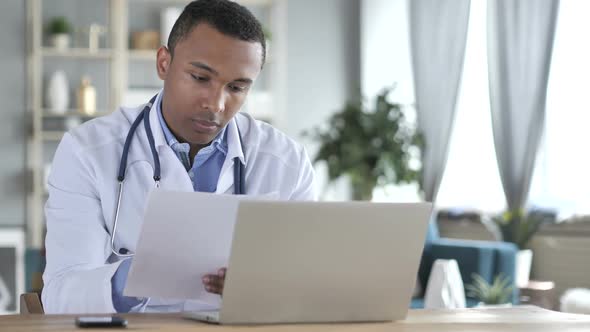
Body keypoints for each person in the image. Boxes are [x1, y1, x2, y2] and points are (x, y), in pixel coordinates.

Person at [42, 0, 316, 314]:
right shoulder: (86, 151)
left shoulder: (286, 161)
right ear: (163, 63)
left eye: (237, 87)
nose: (216, 104)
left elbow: (304, 292)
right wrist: (133, 277)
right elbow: (60, 298)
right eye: (200, 78)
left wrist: (263, 287)